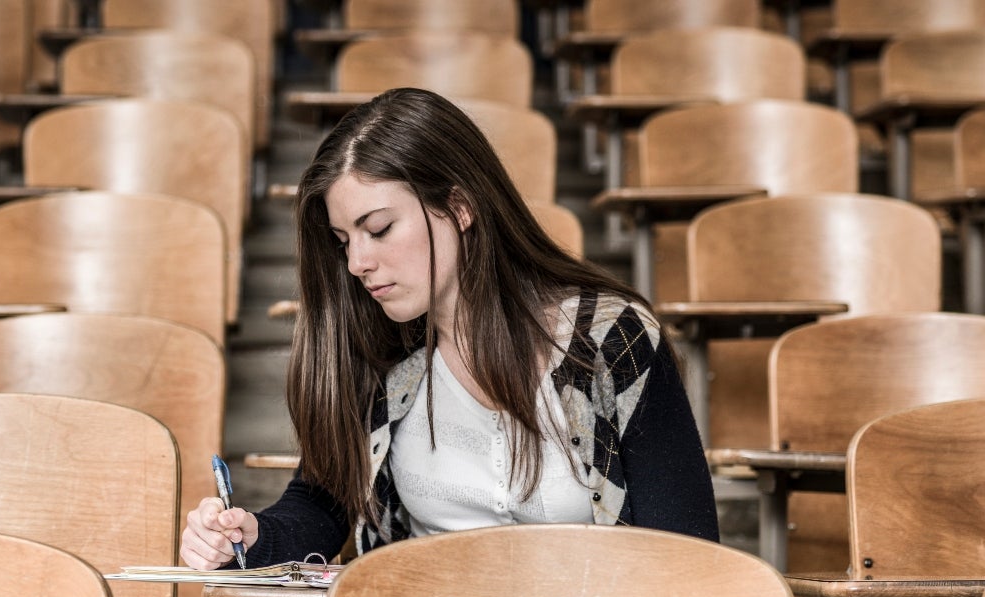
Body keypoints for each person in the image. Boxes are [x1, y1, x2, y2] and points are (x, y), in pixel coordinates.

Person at [180, 87, 718, 570]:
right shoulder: (377, 350)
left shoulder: (612, 340)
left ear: (459, 207)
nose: (357, 263)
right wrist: (250, 538)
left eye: (380, 228)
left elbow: (687, 551)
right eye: (344, 241)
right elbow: (321, 506)